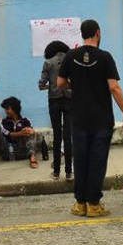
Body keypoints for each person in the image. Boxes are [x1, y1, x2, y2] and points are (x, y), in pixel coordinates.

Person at [58, 19, 123, 217]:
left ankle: (80, 203)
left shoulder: (71, 56)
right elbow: (114, 87)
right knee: (97, 159)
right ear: (97, 33)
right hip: (101, 119)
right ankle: (93, 204)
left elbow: (60, 83)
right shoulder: (105, 57)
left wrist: (77, 86)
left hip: (79, 118)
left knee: (80, 159)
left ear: (82, 34)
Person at [39, 40, 73, 181]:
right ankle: (69, 172)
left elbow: (41, 84)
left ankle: (56, 172)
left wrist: (51, 86)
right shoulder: (71, 61)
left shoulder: (48, 62)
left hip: (54, 100)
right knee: (68, 136)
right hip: (69, 99)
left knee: (57, 136)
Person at [0, 97, 43, 169]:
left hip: (22, 152)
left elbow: (31, 133)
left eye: (7, 109)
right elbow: (7, 134)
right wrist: (20, 133)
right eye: (5, 109)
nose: (6, 111)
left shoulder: (25, 121)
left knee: (32, 132)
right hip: (7, 153)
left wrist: (30, 131)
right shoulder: (4, 122)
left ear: (15, 109)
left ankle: (32, 157)